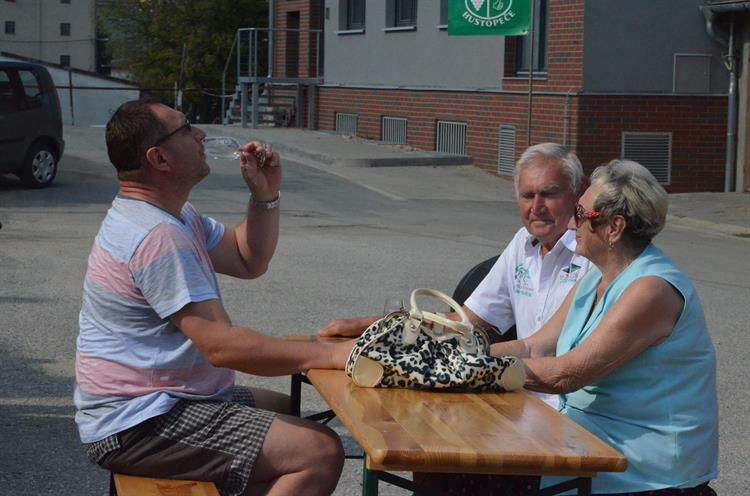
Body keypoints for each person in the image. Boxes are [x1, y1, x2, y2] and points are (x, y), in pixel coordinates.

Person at [74, 99, 353, 496]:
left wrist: (265, 197)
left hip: (161, 401)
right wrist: (330, 355)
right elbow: (221, 347)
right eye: (187, 129)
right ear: (160, 158)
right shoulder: (156, 235)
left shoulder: (172, 214)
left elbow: (247, 257)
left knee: (288, 409)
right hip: (139, 422)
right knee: (319, 451)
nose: (201, 134)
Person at [482, 159, 718, 494]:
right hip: (589, 450)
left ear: (614, 227)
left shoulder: (651, 291)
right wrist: (461, 352)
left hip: (645, 474)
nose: (570, 224)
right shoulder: (596, 276)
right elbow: (534, 347)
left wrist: (476, 368)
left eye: (580, 214)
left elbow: (567, 374)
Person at [319, 142, 592, 408]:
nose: (536, 206)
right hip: (522, 394)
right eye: (527, 196)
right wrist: (375, 326)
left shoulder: (592, 252)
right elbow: (463, 324)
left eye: (549, 194)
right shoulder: (523, 243)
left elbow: (541, 351)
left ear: (578, 192)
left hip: (570, 406)